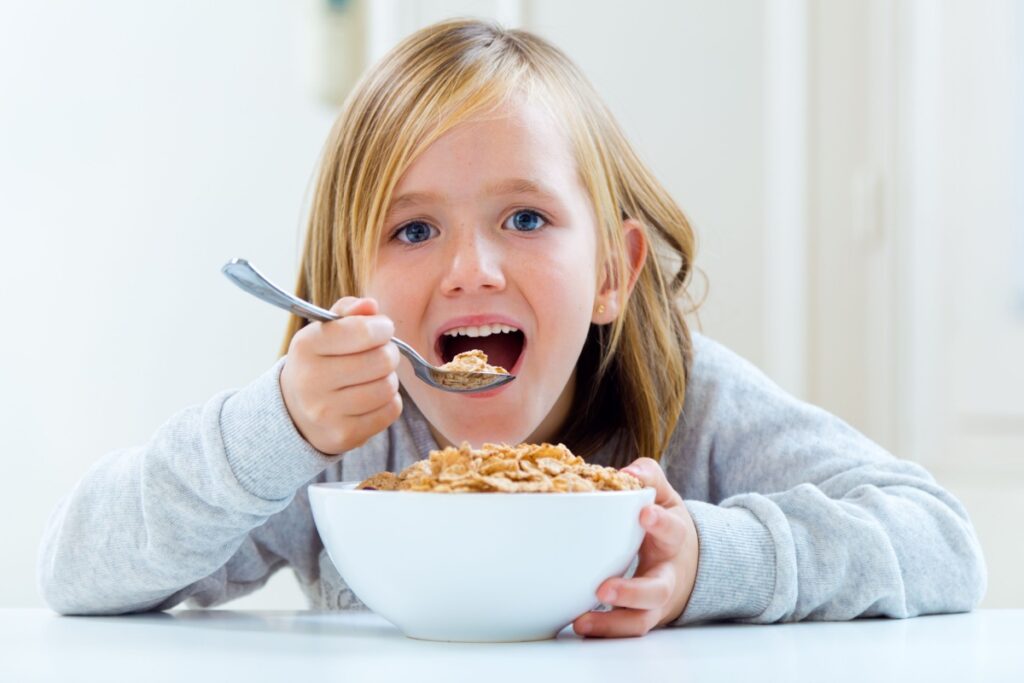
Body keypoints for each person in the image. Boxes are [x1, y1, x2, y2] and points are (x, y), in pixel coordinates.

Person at [37, 18, 986, 638]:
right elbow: (79, 569)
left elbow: (943, 542)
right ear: (348, 296)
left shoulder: (693, 407)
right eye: (413, 229)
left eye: (525, 219)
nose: (471, 269)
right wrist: (273, 424)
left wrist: (709, 560)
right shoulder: (332, 452)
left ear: (612, 272)